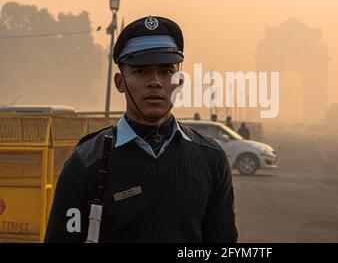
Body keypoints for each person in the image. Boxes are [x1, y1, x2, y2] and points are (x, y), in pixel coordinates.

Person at [45, 16, 238, 243]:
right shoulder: (86, 162)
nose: (155, 82)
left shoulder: (211, 159)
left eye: (166, 72)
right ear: (119, 82)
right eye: (140, 72)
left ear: (180, 81)